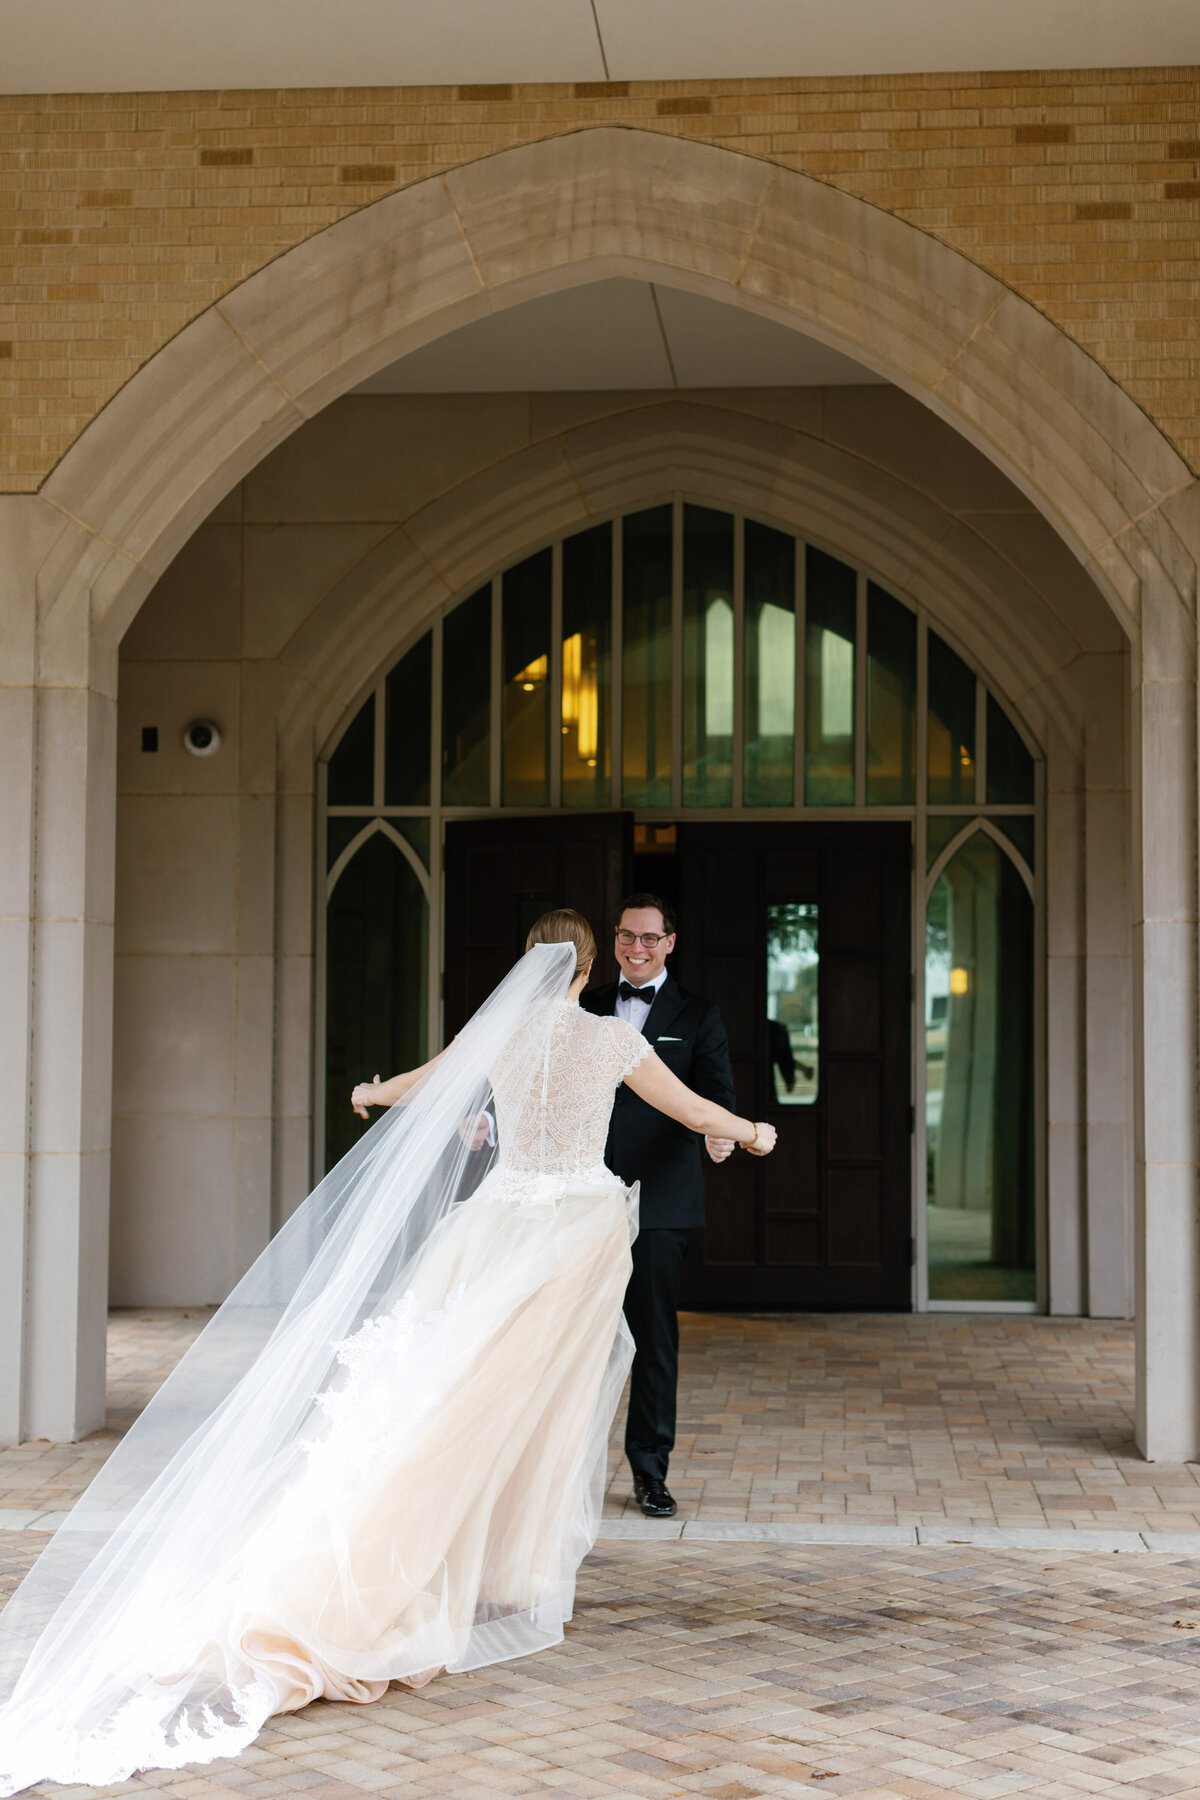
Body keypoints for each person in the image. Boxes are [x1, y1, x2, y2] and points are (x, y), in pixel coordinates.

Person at [0, 911, 774, 1796]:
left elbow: (421, 1085)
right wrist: (752, 1132)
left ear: (531, 963)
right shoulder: (606, 1043)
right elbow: (691, 1106)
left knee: (454, 1390)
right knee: (520, 1403)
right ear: (589, 966)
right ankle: (463, 1565)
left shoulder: (499, 1037)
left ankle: (473, 1556)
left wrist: (369, 1094)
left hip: (492, 1230)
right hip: (569, 1237)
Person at [581, 893, 737, 1519]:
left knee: (650, 1339)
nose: (636, 948)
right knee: (573, 1335)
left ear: (671, 942)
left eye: (649, 938)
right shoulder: (584, 1007)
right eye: (626, 936)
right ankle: (562, 1471)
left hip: (662, 1201)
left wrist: (720, 1132)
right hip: (582, 1193)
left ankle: (649, 1472)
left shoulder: (698, 1015)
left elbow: (717, 1097)